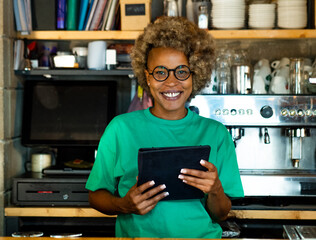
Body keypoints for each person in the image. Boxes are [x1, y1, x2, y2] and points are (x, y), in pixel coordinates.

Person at [86, 16, 244, 238]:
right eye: (160, 72)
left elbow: (221, 214)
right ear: (147, 77)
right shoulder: (120, 129)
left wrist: (215, 188)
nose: (171, 82)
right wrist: (124, 205)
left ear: (194, 75)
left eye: (181, 71)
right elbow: (95, 196)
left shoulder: (216, 133)